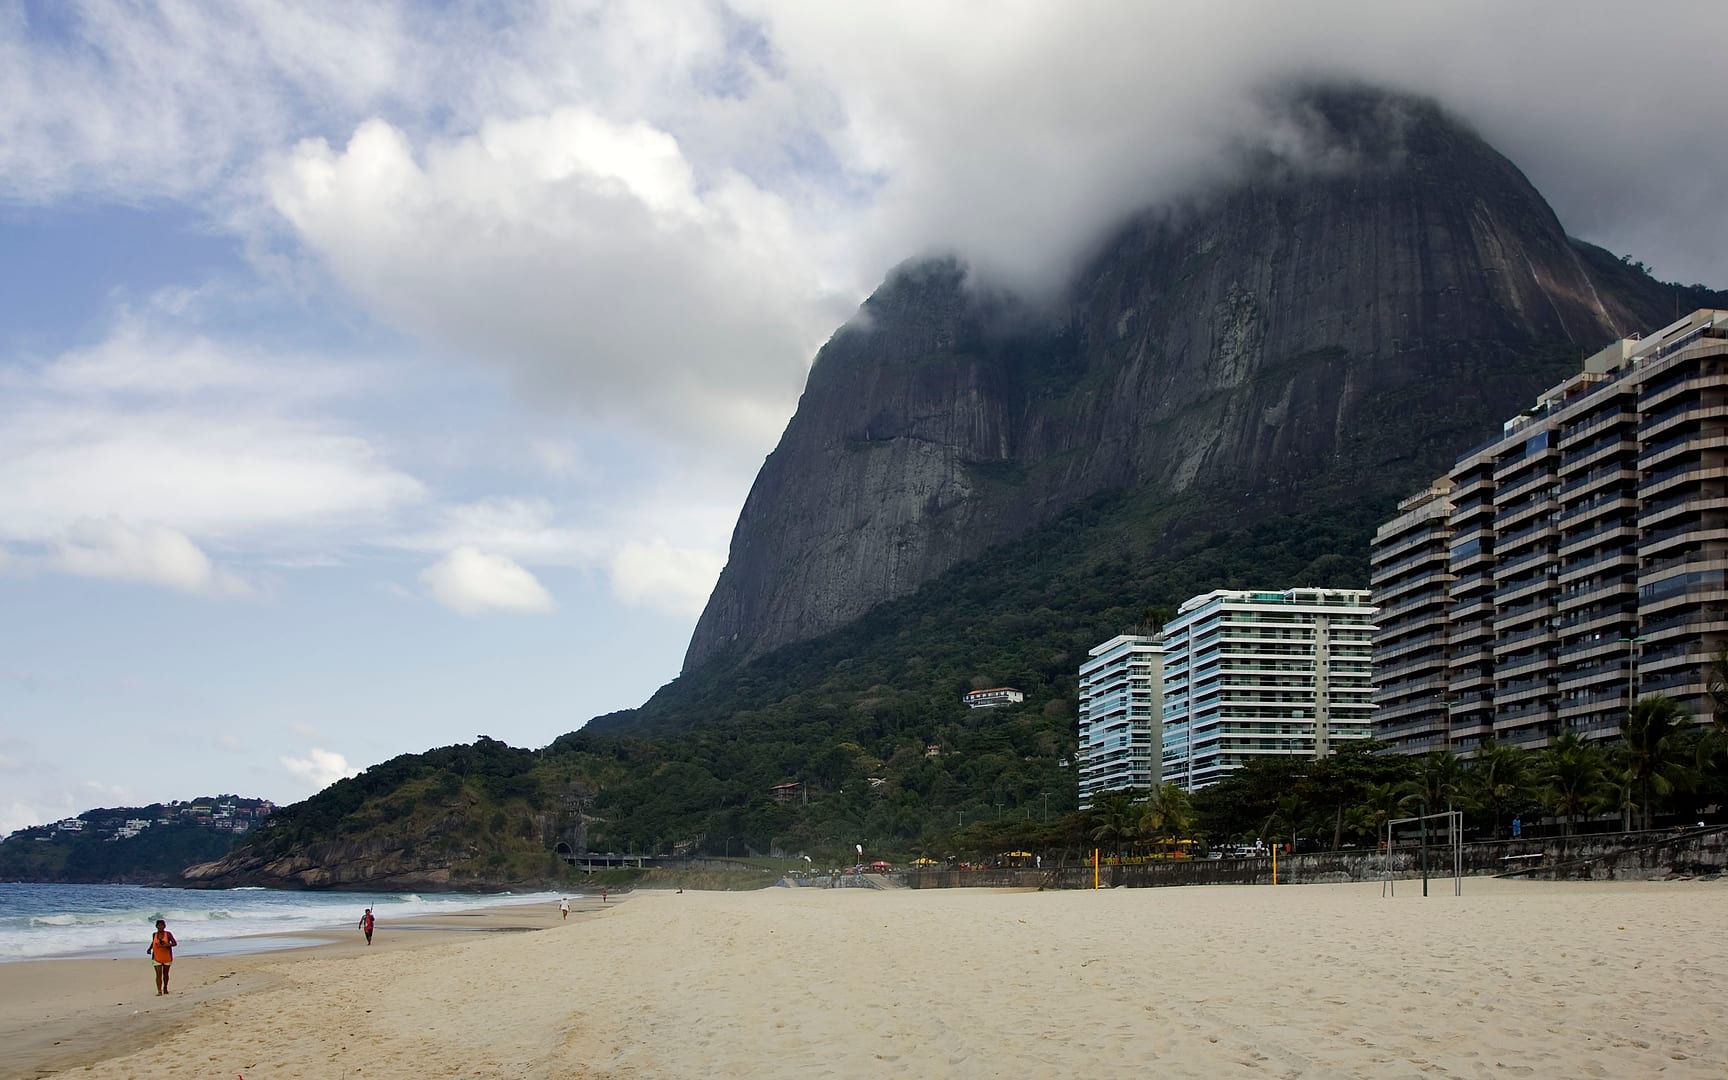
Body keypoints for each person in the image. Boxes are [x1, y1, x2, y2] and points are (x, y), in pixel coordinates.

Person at [148, 919, 177, 995]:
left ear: (164, 926)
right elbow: (153, 942)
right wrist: (149, 949)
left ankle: (165, 988)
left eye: (162, 925)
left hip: (167, 956)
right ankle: (159, 990)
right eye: (159, 925)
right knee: (158, 974)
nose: (160, 926)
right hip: (156, 957)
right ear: (156, 926)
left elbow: (174, 943)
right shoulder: (154, 934)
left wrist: (167, 944)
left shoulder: (168, 934)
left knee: (166, 974)